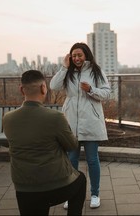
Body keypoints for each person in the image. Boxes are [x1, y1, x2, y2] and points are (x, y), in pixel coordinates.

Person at [2, 70, 86, 215]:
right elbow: (72, 145)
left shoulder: (8, 118)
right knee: (81, 180)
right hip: (55, 185)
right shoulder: (55, 117)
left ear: (22, 89)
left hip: (23, 187)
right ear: (43, 88)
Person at [50, 42, 111, 209]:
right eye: (74, 55)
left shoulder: (96, 71)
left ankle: (95, 194)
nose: (77, 58)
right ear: (70, 57)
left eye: (80, 55)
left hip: (91, 121)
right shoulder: (67, 72)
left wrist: (91, 89)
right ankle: (71, 195)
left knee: (92, 160)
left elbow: (106, 93)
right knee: (71, 160)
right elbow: (53, 86)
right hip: (71, 122)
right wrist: (64, 67)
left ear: (86, 55)